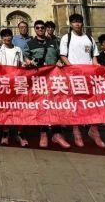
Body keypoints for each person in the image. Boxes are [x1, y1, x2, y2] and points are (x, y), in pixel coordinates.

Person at [59, 13, 105, 148]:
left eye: (79, 21)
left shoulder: (89, 38)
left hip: (89, 76)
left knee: (93, 103)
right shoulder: (66, 38)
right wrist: (72, 69)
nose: (77, 24)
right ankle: (76, 131)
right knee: (76, 104)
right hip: (74, 76)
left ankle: (94, 130)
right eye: (74, 22)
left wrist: (98, 68)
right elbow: (63, 56)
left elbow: (94, 57)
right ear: (70, 24)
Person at [23, 20, 70, 149]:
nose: (40, 29)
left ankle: (57, 134)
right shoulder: (30, 44)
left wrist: (60, 62)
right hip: (39, 80)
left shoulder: (53, 42)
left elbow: (61, 56)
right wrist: (28, 61)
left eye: (42, 27)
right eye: (37, 27)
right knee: (42, 106)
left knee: (55, 105)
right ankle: (43, 133)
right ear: (35, 29)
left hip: (54, 79)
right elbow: (25, 57)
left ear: (45, 29)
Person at [0, 28, 29, 147]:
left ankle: (20, 133)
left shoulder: (18, 49)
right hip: (5, 83)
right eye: (4, 36)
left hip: (17, 82)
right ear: (2, 38)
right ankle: (5, 133)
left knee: (20, 108)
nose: (7, 38)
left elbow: (21, 64)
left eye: (9, 35)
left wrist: (25, 64)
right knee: (6, 109)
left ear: (12, 37)